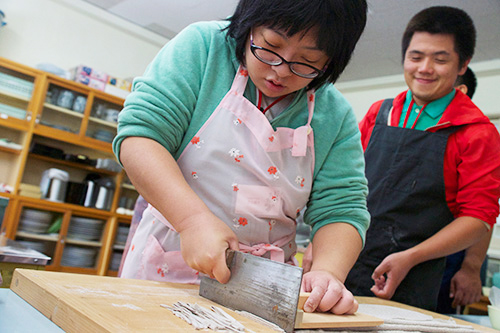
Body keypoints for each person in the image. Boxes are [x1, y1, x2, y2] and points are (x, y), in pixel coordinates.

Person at [113, 0, 370, 315]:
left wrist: (329, 273)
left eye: (306, 62)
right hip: (168, 264)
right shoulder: (204, 49)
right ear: (248, 23)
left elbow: (341, 208)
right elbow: (141, 137)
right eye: (271, 46)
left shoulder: (335, 114)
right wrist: (191, 221)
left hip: (265, 290)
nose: (279, 72)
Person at [344, 6, 500, 311]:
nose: (425, 68)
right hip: (348, 260)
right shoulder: (380, 113)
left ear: (462, 65)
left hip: (417, 276)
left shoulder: (476, 133)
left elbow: (479, 217)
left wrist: (411, 257)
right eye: (415, 57)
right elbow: (347, 184)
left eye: (440, 59)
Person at [436, 68, 492, 314]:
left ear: (459, 91)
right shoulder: (401, 124)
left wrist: (471, 266)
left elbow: (482, 214)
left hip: (449, 259)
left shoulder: (476, 137)